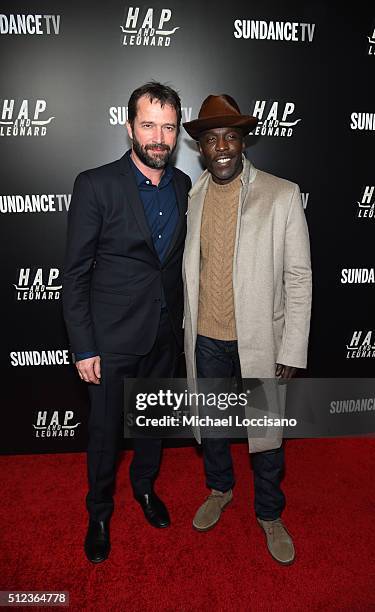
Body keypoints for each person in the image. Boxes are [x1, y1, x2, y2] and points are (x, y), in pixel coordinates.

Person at [62, 82, 191, 563]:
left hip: (163, 334)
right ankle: (98, 512)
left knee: (152, 424)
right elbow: (74, 274)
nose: (159, 138)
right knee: (104, 433)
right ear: (129, 128)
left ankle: (145, 489)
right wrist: (83, 346)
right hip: (111, 338)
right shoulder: (95, 184)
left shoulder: (183, 186)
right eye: (149, 125)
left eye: (168, 127)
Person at [182, 94, 312, 565]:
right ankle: (219, 488)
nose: (221, 147)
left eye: (230, 138)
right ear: (201, 147)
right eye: (212, 139)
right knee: (213, 425)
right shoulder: (192, 196)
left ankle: (270, 513)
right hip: (207, 337)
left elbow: (298, 276)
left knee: (265, 432)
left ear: (243, 142)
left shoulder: (281, 193)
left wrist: (293, 346)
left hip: (259, 339)